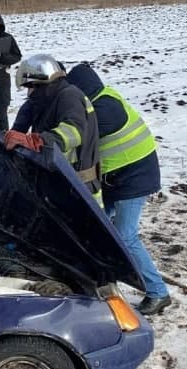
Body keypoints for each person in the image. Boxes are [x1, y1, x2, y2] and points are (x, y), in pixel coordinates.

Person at [66, 63, 170, 315]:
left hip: (135, 179)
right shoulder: (100, 98)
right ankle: (102, 279)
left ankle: (158, 293)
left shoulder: (104, 110)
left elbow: (79, 142)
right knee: (98, 226)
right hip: (117, 178)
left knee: (126, 235)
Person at [7, 54, 102, 205]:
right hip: (60, 186)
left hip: (79, 192)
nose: (29, 93)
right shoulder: (47, 100)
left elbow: (74, 132)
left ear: (42, 82)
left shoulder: (69, 96)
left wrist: (37, 141)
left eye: (31, 86)